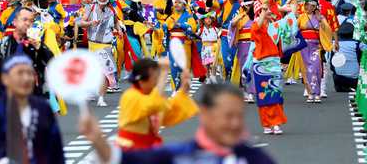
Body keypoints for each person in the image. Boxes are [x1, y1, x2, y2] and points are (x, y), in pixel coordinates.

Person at [80, 83, 275, 164]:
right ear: (204, 113)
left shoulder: (256, 159)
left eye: (239, 116)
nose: (235, 124)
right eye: (227, 116)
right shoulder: (179, 155)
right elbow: (121, 158)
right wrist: (97, 139)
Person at [0, 54, 64, 164]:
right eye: (20, 73)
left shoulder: (43, 109)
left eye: (30, 73)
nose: (26, 78)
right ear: (5, 78)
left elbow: (56, 153)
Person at [117, 59, 198, 150]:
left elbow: (168, 112)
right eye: (155, 78)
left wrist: (184, 89)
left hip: (148, 147)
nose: (157, 82)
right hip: (129, 149)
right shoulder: (130, 96)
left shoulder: (152, 95)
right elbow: (152, 105)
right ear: (141, 80)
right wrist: (164, 73)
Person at [0, 7, 54, 103]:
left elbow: (51, 61)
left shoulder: (36, 44)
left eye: (31, 21)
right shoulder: (4, 44)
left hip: (33, 96)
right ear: (15, 22)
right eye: (24, 19)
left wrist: (39, 47)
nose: (28, 23)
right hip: (7, 95)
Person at [79, 0, 121, 107]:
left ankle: (101, 98)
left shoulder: (112, 11)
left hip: (106, 46)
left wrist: (118, 29)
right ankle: (91, 91)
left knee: (104, 72)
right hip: (92, 44)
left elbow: (116, 22)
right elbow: (80, 23)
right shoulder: (90, 8)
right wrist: (90, 23)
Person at [250, 3, 288, 135]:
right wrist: (263, 10)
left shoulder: (275, 27)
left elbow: (291, 20)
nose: (267, 12)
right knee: (264, 96)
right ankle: (267, 123)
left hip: (274, 63)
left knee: (275, 93)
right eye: (262, 11)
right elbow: (258, 25)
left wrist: (294, 0)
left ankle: (276, 123)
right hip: (261, 65)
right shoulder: (255, 26)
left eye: (267, 10)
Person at [298, 0, 333, 103]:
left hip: (316, 46)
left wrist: (320, 21)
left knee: (316, 69)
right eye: (306, 5)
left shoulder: (320, 17)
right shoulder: (301, 17)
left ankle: (317, 93)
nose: (307, 7)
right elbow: (295, 29)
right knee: (306, 69)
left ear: (314, 7)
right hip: (304, 46)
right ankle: (309, 93)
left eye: (310, 5)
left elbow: (328, 31)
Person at [206, 0, 241, 80]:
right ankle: (228, 77)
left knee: (236, 60)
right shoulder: (223, 3)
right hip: (225, 35)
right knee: (227, 60)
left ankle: (237, 82)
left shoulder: (241, 5)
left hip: (238, 35)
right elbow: (208, 4)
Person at [332, 23, 366, 92]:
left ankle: (341, 87)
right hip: (354, 78)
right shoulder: (358, 44)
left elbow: (331, 62)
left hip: (338, 78)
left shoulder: (335, 44)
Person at [197, 13, 218, 84]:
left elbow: (220, 37)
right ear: (203, 20)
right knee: (206, 65)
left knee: (214, 64)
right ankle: (208, 78)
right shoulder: (201, 29)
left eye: (210, 18)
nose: (208, 20)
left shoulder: (216, 29)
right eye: (206, 18)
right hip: (205, 48)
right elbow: (196, 36)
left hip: (214, 48)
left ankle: (214, 77)